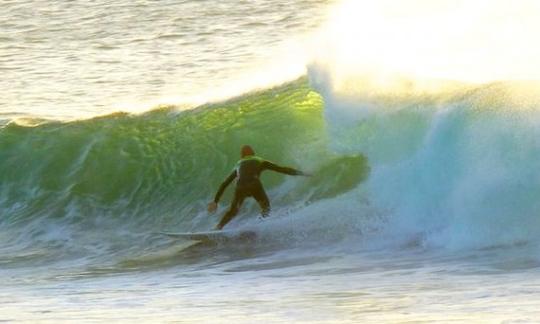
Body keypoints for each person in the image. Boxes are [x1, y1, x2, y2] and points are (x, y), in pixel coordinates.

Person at [208, 145, 310, 230]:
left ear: (242, 156)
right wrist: (302, 173)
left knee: (233, 211)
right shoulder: (260, 161)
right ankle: (260, 225)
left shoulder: (238, 165)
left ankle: (218, 227)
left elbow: (225, 183)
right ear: (253, 153)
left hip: (240, 187)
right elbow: (282, 169)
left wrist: (215, 201)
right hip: (254, 184)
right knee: (266, 208)